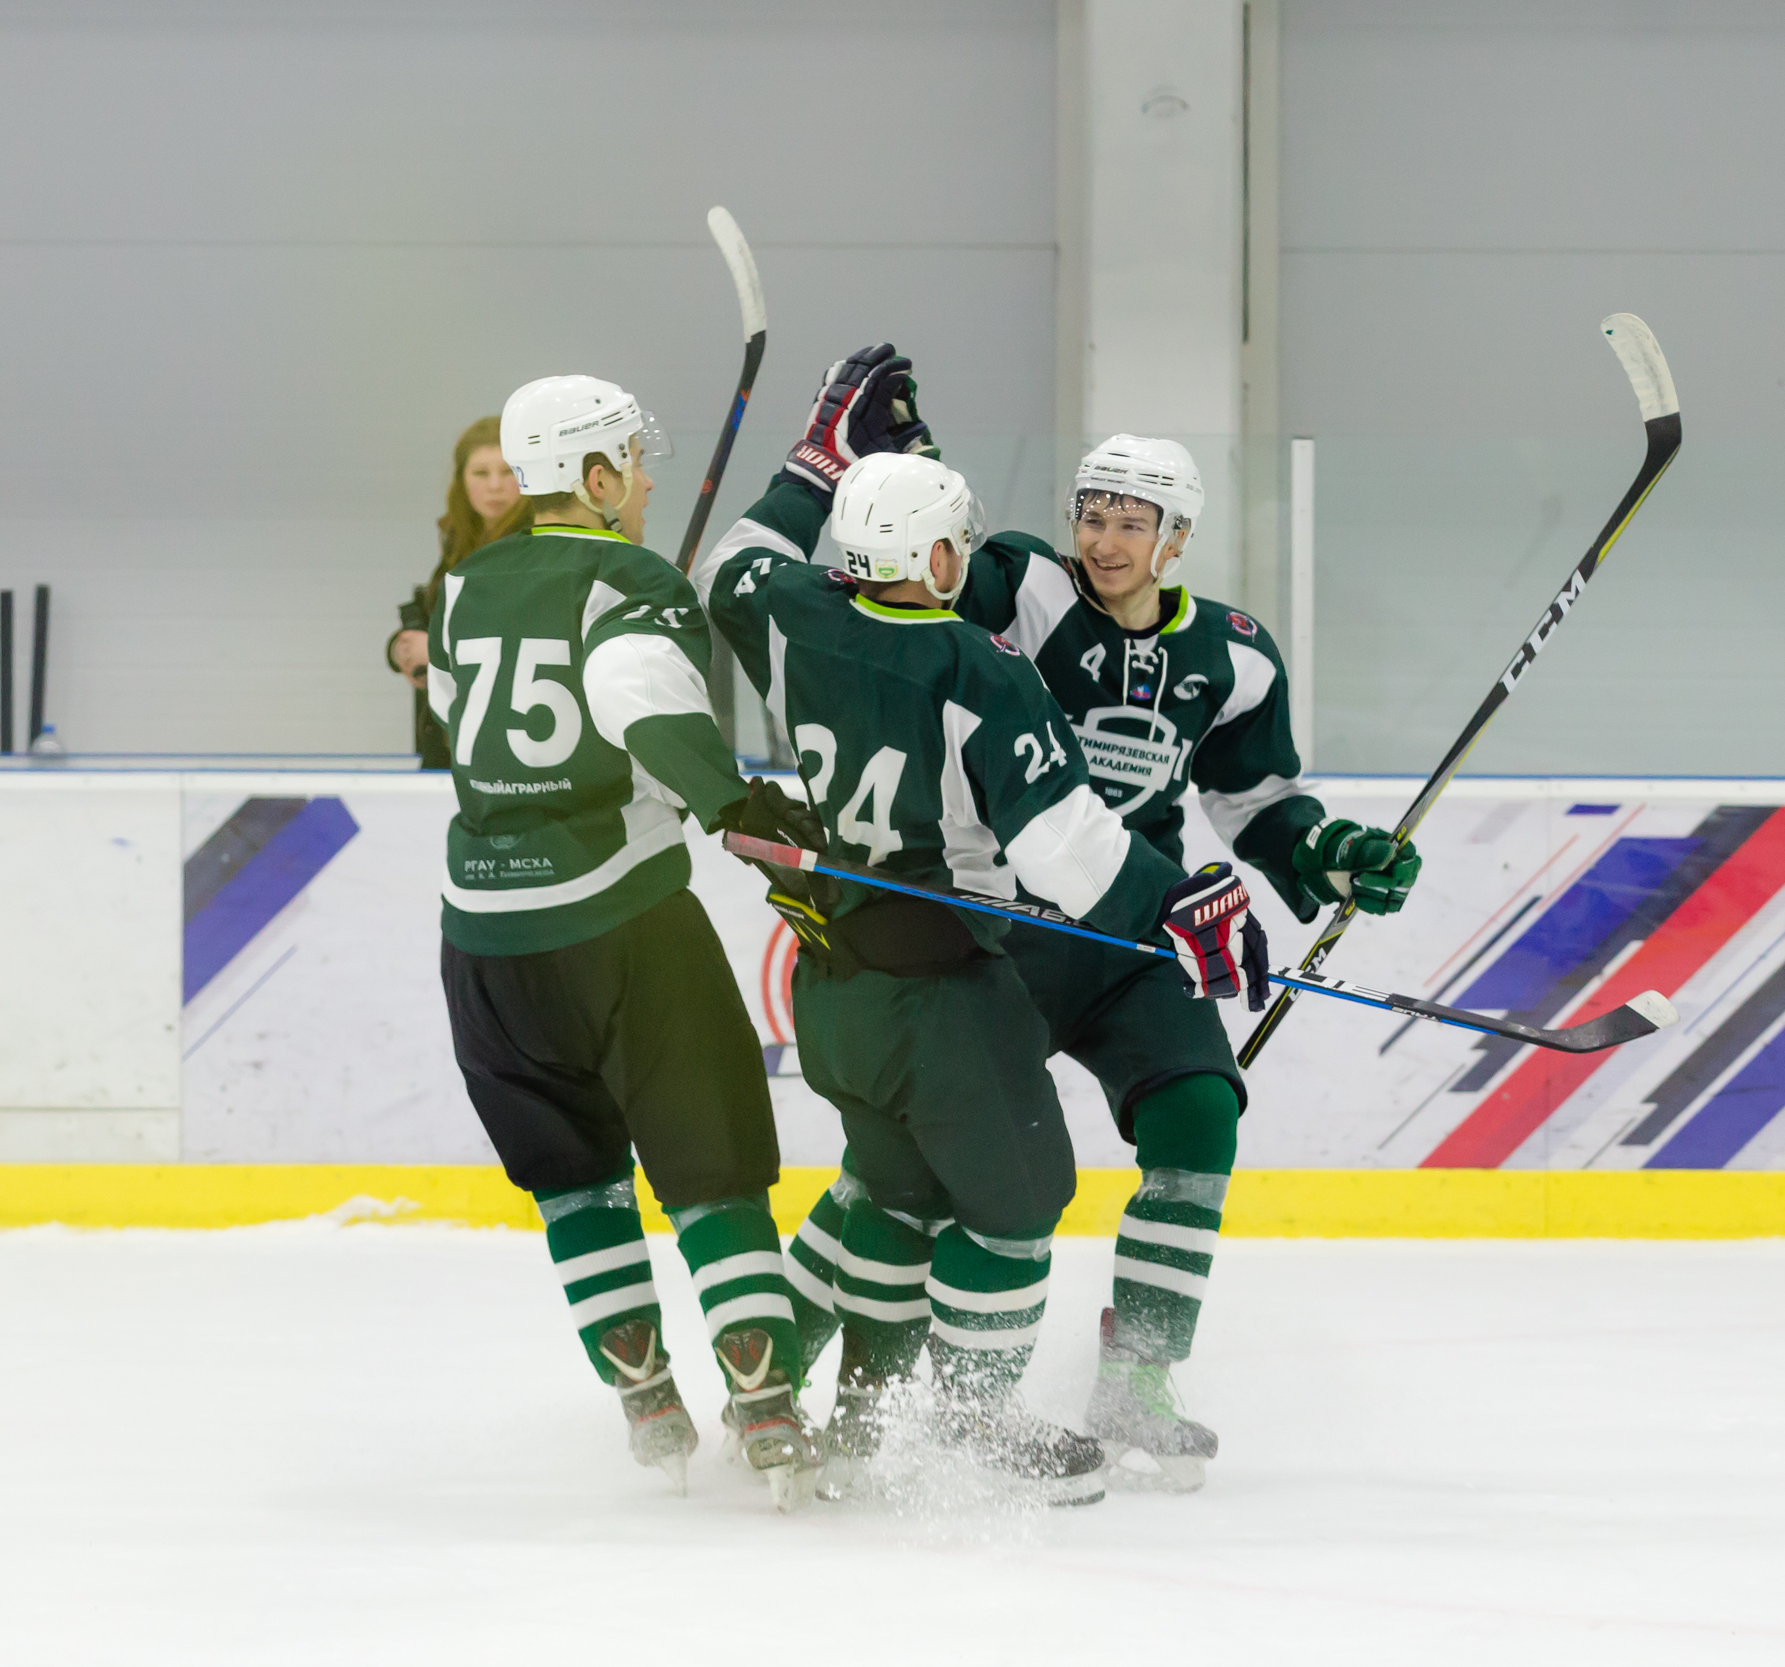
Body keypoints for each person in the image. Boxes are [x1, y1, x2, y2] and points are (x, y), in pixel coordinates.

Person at [695, 388, 1257, 1504]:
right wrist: (1184, 903)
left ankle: (786, 1391)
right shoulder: (983, 670)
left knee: (891, 1195)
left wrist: (811, 466)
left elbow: (730, 565)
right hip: (943, 992)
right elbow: (1070, 854)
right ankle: (976, 1421)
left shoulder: (795, 611)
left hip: (834, 982)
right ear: (940, 555)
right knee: (1016, 1201)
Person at [424, 373, 819, 1506]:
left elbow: (463, 719)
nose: (646, 483)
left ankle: (646, 1398)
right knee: (710, 1165)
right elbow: (636, 694)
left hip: (483, 944)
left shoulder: (460, 585)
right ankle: (765, 1401)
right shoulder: (633, 579)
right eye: (633, 465)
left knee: (573, 1176)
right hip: (620, 925)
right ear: (595, 478)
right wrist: (736, 805)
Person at [389, 417, 533, 767]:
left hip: (510, 740)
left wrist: (436, 651)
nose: (495, 486)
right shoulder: (459, 542)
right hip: (451, 735)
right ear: (462, 481)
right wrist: (403, 647)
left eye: (508, 472)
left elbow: (526, 639)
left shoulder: (538, 547)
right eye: (481, 473)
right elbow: (442, 617)